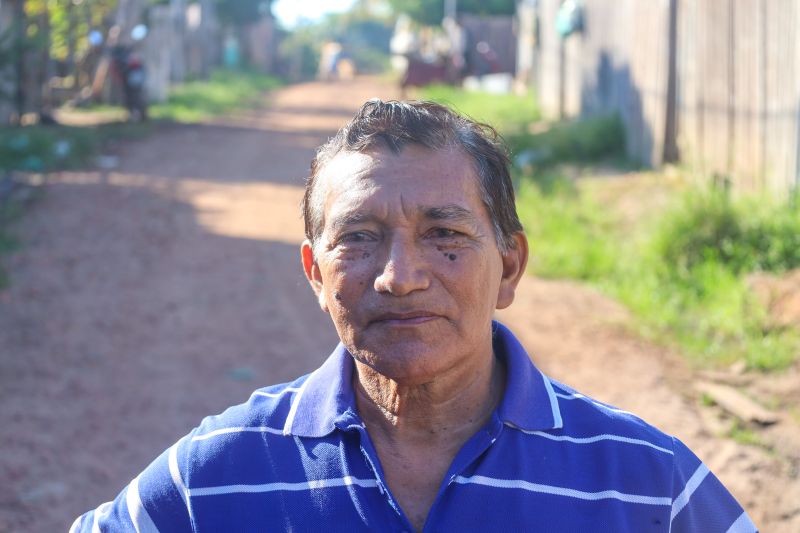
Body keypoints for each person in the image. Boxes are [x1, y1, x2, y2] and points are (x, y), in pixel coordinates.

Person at [72, 100, 757, 532]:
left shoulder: (648, 485)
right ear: (316, 272)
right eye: (359, 239)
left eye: (445, 236)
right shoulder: (218, 476)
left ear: (509, 267)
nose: (399, 277)